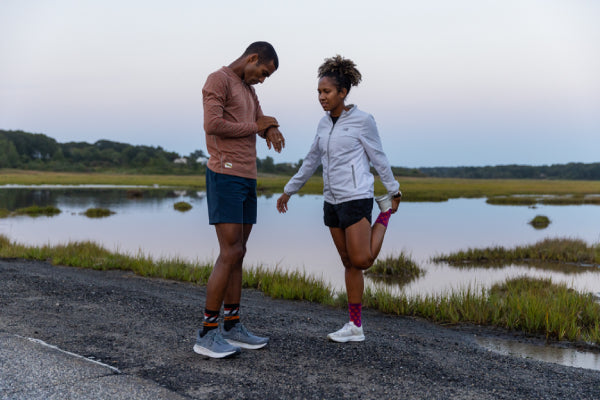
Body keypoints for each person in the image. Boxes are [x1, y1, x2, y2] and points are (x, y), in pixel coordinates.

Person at [276, 55, 401, 343]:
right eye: (319, 92)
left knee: (363, 260)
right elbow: (311, 160)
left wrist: (393, 190)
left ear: (343, 93)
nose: (321, 97)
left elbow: (378, 157)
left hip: (356, 197)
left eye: (327, 92)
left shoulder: (363, 121)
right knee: (348, 262)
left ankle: (384, 215)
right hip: (331, 202)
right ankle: (354, 326)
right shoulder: (322, 124)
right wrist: (289, 190)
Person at [194, 41, 286, 358]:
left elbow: (260, 120)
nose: (262, 80)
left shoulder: (248, 89)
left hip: (247, 176)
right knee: (229, 251)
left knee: (239, 252)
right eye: (263, 73)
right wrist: (257, 126)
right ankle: (207, 333)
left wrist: (270, 128)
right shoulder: (217, 80)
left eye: (266, 77)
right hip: (225, 174)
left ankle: (232, 325)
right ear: (252, 58)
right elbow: (213, 124)